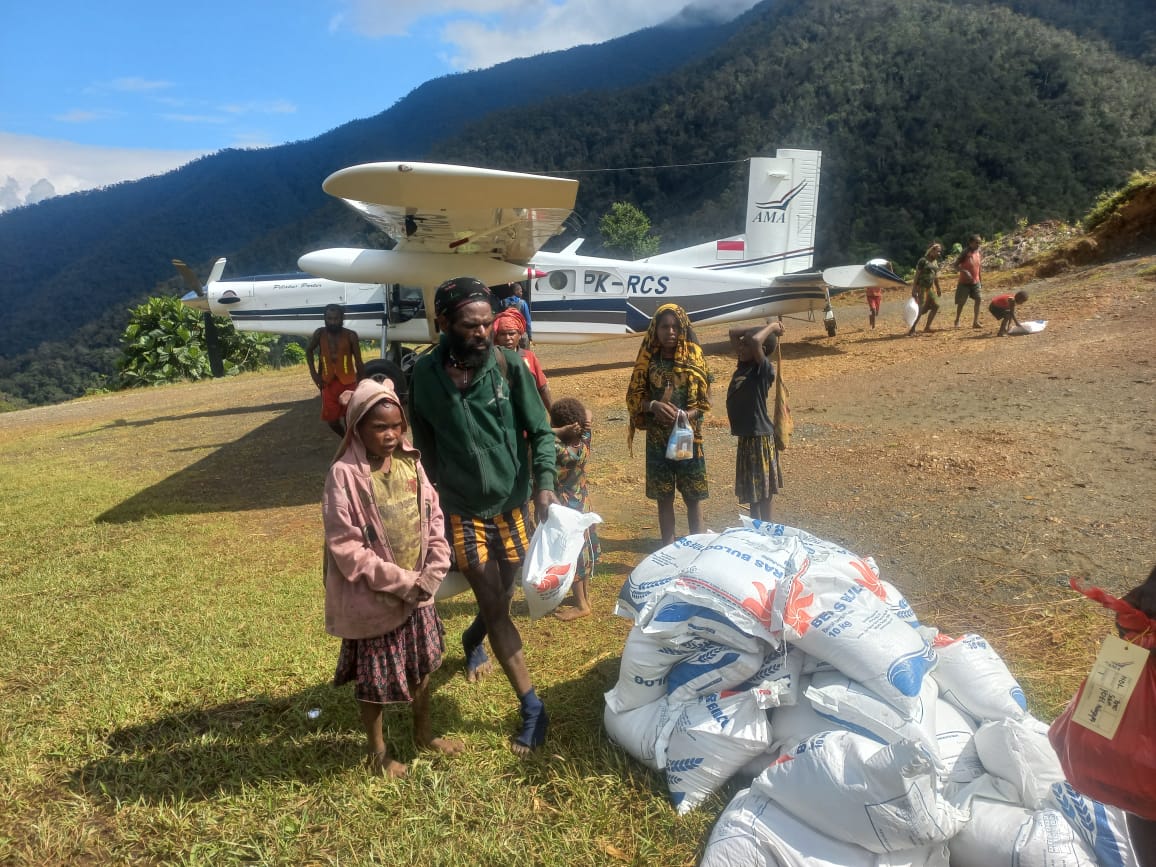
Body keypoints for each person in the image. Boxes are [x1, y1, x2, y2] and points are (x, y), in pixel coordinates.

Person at [408, 276, 558, 757]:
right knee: (495, 602)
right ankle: (533, 707)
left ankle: (474, 637)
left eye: (488, 323)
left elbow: (541, 432)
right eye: (470, 326)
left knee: (506, 588)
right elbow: (426, 452)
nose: (482, 333)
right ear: (443, 324)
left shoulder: (508, 365)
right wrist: (433, 510)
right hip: (463, 511)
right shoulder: (424, 378)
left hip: (512, 504)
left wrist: (545, 487)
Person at [322, 378, 463, 777]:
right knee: (374, 682)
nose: (390, 435)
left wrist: (434, 567)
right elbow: (346, 547)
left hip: (420, 593)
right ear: (356, 428)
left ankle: (425, 733)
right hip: (377, 598)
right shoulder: (343, 475)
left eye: (396, 426)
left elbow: (434, 517)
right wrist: (404, 581)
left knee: (423, 668)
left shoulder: (410, 462)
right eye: (379, 427)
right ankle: (377, 751)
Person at [626, 304, 712, 546]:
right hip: (657, 440)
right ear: (656, 329)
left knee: (692, 496)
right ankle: (668, 548)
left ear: (683, 328)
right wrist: (652, 405)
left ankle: (697, 546)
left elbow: (705, 403)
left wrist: (685, 415)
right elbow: (633, 398)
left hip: (687, 437)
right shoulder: (648, 362)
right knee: (663, 497)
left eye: (675, 326)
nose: (670, 331)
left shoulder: (695, 358)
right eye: (665, 326)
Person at [726, 320, 785, 522]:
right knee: (752, 491)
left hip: (760, 438)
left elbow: (756, 340)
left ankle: (767, 528)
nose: (740, 347)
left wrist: (772, 328)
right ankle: (756, 529)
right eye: (742, 344)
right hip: (747, 438)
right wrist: (763, 326)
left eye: (746, 345)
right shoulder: (743, 366)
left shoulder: (764, 371)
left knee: (764, 491)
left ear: (761, 349)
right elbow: (733, 332)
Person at [549, 396, 600, 621]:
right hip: (583, 506)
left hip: (564, 509)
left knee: (571, 554)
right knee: (584, 551)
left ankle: (581, 605)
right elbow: (588, 411)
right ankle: (584, 597)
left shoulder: (558, 450)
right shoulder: (583, 443)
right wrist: (586, 423)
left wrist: (557, 430)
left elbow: (540, 434)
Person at [307, 304, 365, 435]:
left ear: (342, 318)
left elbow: (359, 362)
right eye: (329, 318)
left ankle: (352, 442)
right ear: (325, 319)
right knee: (332, 421)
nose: (333, 322)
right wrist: (314, 374)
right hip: (327, 382)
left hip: (348, 382)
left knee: (350, 418)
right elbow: (309, 351)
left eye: (336, 318)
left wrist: (362, 383)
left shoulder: (351, 336)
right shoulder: (319, 334)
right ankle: (345, 438)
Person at [492, 306, 552, 409]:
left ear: (519, 335)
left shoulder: (529, 357)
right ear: (497, 336)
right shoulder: (491, 359)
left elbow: (543, 388)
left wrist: (553, 415)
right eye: (502, 334)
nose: (507, 338)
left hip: (531, 413)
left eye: (511, 333)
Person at [907, 242, 943, 336]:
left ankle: (927, 327)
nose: (939, 254)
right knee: (920, 308)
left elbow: (935, 276)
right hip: (921, 288)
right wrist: (914, 289)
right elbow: (916, 275)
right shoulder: (922, 261)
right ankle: (912, 329)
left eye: (940, 252)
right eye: (938, 251)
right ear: (931, 251)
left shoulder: (935, 262)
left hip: (930, 288)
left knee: (936, 305)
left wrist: (938, 288)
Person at [954, 234, 984, 329]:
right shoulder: (965, 253)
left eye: (979, 243)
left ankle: (975, 321)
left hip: (976, 281)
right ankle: (957, 319)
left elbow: (978, 267)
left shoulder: (978, 251)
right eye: (976, 243)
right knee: (961, 302)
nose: (978, 244)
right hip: (964, 282)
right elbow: (955, 265)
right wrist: (964, 271)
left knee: (978, 299)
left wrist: (980, 280)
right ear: (970, 243)